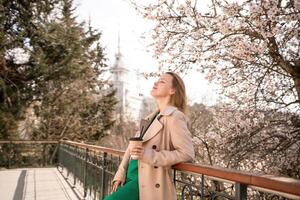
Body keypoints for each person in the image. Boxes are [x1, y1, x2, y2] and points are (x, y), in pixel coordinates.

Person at [104, 72, 195, 200]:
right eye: (157, 80)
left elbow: (187, 153)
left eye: (162, 81)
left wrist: (149, 155)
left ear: (172, 90)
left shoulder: (175, 116)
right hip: (130, 176)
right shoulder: (150, 117)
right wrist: (121, 172)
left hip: (146, 180)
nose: (155, 83)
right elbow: (132, 147)